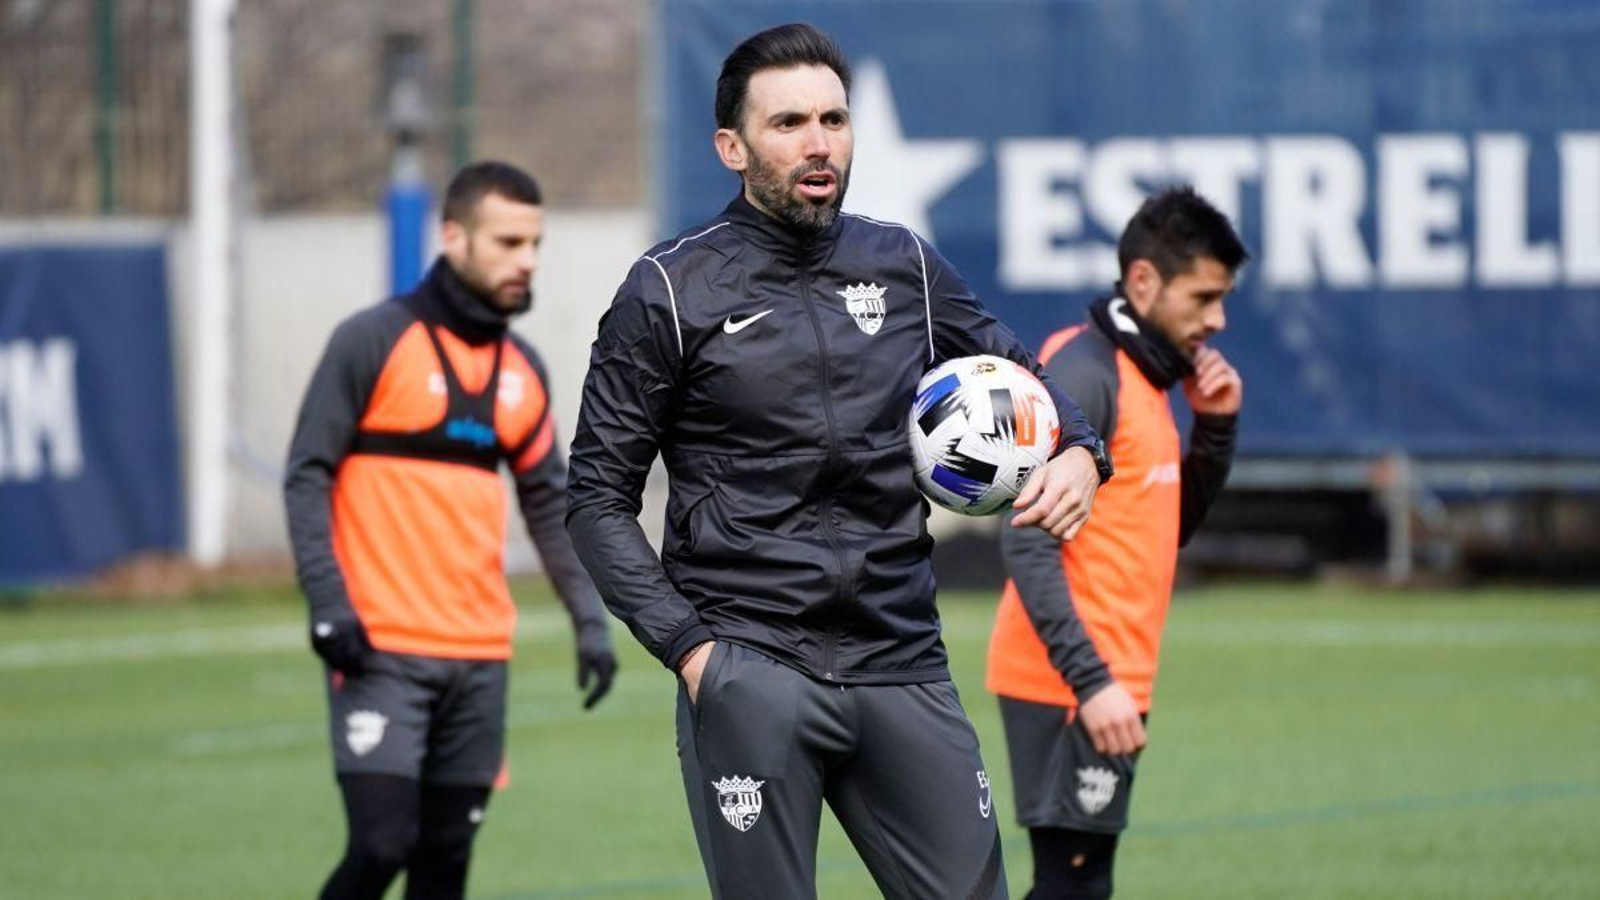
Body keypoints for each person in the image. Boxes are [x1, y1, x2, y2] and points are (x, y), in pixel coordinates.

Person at [564, 23, 1111, 900]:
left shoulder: (902, 265)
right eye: (788, 124)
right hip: (752, 666)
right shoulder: (667, 291)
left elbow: (1023, 376)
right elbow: (593, 498)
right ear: (731, 147)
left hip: (902, 660)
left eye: (833, 119)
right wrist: (695, 653)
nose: (819, 143)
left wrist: (1081, 449)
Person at [284, 161, 618, 900]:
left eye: (534, 244)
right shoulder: (373, 342)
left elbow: (548, 505)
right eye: (507, 242)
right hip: (379, 647)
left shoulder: (522, 373)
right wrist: (329, 604)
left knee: (444, 865)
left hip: (478, 656)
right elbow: (307, 475)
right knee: (381, 845)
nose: (525, 261)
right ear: (454, 237)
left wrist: (589, 619)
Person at [985, 186, 1247, 899]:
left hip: (1107, 677)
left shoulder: (1147, 373)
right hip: (1069, 681)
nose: (1217, 319)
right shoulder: (1086, 372)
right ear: (1144, 282)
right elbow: (1027, 545)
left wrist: (1215, 431)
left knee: (1080, 881)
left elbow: (1166, 530)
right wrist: (1092, 683)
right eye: (1203, 297)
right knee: (1072, 885)